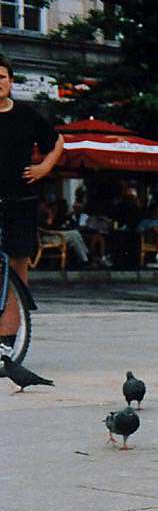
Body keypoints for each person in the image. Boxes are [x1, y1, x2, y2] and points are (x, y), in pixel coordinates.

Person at [0, 55, 64, 354]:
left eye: (2, 77)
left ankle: (9, 338)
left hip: (20, 201)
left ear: (11, 81)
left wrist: (44, 167)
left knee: (17, 266)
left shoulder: (26, 114)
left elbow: (57, 141)